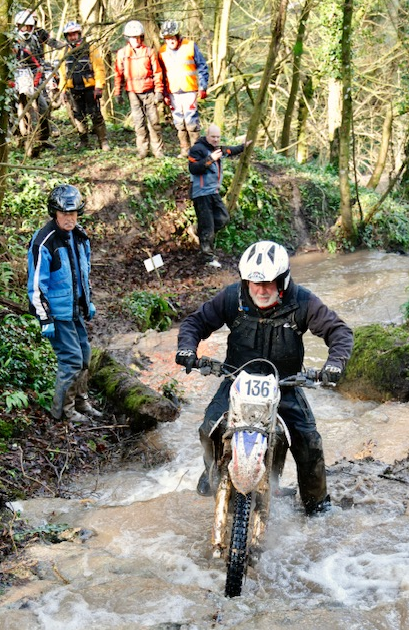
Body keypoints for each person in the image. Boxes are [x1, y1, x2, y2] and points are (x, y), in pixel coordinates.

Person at [175, 240, 354, 516]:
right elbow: (195, 322)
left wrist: (334, 365)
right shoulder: (232, 297)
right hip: (236, 380)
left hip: (285, 384)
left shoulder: (303, 301)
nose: (260, 290)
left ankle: (317, 507)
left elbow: (339, 332)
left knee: (309, 442)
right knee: (208, 428)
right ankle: (212, 471)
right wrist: (187, 348)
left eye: (268, 283)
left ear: (283, 281)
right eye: (254, 283)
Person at [27, 184, 102, 423]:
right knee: (71, 360)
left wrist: (88, 301)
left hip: (75, 310)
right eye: (64, 214)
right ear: (55, 213)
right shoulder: (44, 241)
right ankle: (62, 412)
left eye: (73, 213)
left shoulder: (79, 236)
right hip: (57, 314)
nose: (69, 218)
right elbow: (36, 285)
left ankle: (81, 401)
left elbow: (84, 272)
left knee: (85, 355)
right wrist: (45, 318)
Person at [188, 123, 251, 268]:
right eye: (213, 137)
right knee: (208, 227)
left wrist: (244, 146)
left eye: (218, 137)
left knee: (223, 218)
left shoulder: (218, 149)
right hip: (201, 193)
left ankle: (197, 229)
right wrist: (210, 159)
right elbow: (193, 168)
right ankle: (207, 258)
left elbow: (230, 150)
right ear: (207, 135)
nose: (216, 140)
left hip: (213, 192)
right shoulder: (197, 149)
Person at [114, 20, 164, 159]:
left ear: (141, 37)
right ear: (127, 38)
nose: (135, 40)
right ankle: (143, 149)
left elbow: (157, 72)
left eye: (137, 37)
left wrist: (159, 91)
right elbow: (118, 74)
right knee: (138, 121)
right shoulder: (122, 53)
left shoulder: (149, 52)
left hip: (149, 90)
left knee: (154, 121)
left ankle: (157, 150)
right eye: (132, 37)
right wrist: (118, 92)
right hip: (132, 92)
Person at [158, 20, 209, 157]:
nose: (170, 41)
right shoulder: (162, 51)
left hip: (189, 89)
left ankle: (197, 150)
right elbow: (161, 74)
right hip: (173, 91)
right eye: (167, 38)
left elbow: (202, 66)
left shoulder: (190, 46)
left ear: (177, 36)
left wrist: (203, 86)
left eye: (172, 38)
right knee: (179, 121)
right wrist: (164, 93)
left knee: (191, 121)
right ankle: (184, 149)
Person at [59, 21, 110, 151]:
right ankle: (84, 141)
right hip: (73, 88)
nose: (73, 37)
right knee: (78, 116)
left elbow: (99, 68)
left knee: (95, 115)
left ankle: (103, 141)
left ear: (79, 34)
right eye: (70, 35)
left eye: (74, 34)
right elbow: (62, 73)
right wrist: (62, 90)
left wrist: (99, 86)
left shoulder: (90, 48)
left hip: (90, 88)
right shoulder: (64, 51)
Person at [13, 10, 53, 152]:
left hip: (31, 80)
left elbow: (37, 62)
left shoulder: (35, 39)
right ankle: (21, 140)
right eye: (23, 27)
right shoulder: (11, 43)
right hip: (14, 82)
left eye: (29, 27)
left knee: (43, 107)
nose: (26, 30)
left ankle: (43, 138)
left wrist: (38, 77)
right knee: (16, 111)